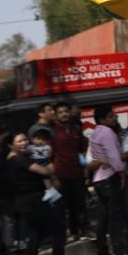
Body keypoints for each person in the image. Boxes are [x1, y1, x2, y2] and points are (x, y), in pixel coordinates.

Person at [6, 132, 72, 255]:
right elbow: (44, 171)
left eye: (25, 140)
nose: (24, 143)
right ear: (11, 145)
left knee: (35, 235)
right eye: (19, 140)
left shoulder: (19, 158)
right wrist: (50, 168)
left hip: (28, 201)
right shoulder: (18, 159)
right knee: (58, 228)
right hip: (34, 201)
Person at [87, 106, 128, 255]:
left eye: (114, 116)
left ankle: (105, 253)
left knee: (106, 217)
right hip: (109, 177)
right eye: (110, 116)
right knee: (116, 217)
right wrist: (120, 173)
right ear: (101, 119)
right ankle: (121, 253)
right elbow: (114, 156)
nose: (114, 118)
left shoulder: (94, 133)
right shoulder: (107, 133)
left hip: (99, 179)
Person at [51, 102, 89, 240]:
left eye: (66, 111)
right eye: (60, 112)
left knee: (80, 202)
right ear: (56, 115)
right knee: (65, 205)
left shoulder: (76, 129)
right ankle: (70, 232)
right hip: (61, 172)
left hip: (77, 171)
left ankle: (84, 229)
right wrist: (53, 177)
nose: (64, 114)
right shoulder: (53, 132)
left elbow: (83, 149)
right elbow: (49, 155)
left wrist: (85, 167)